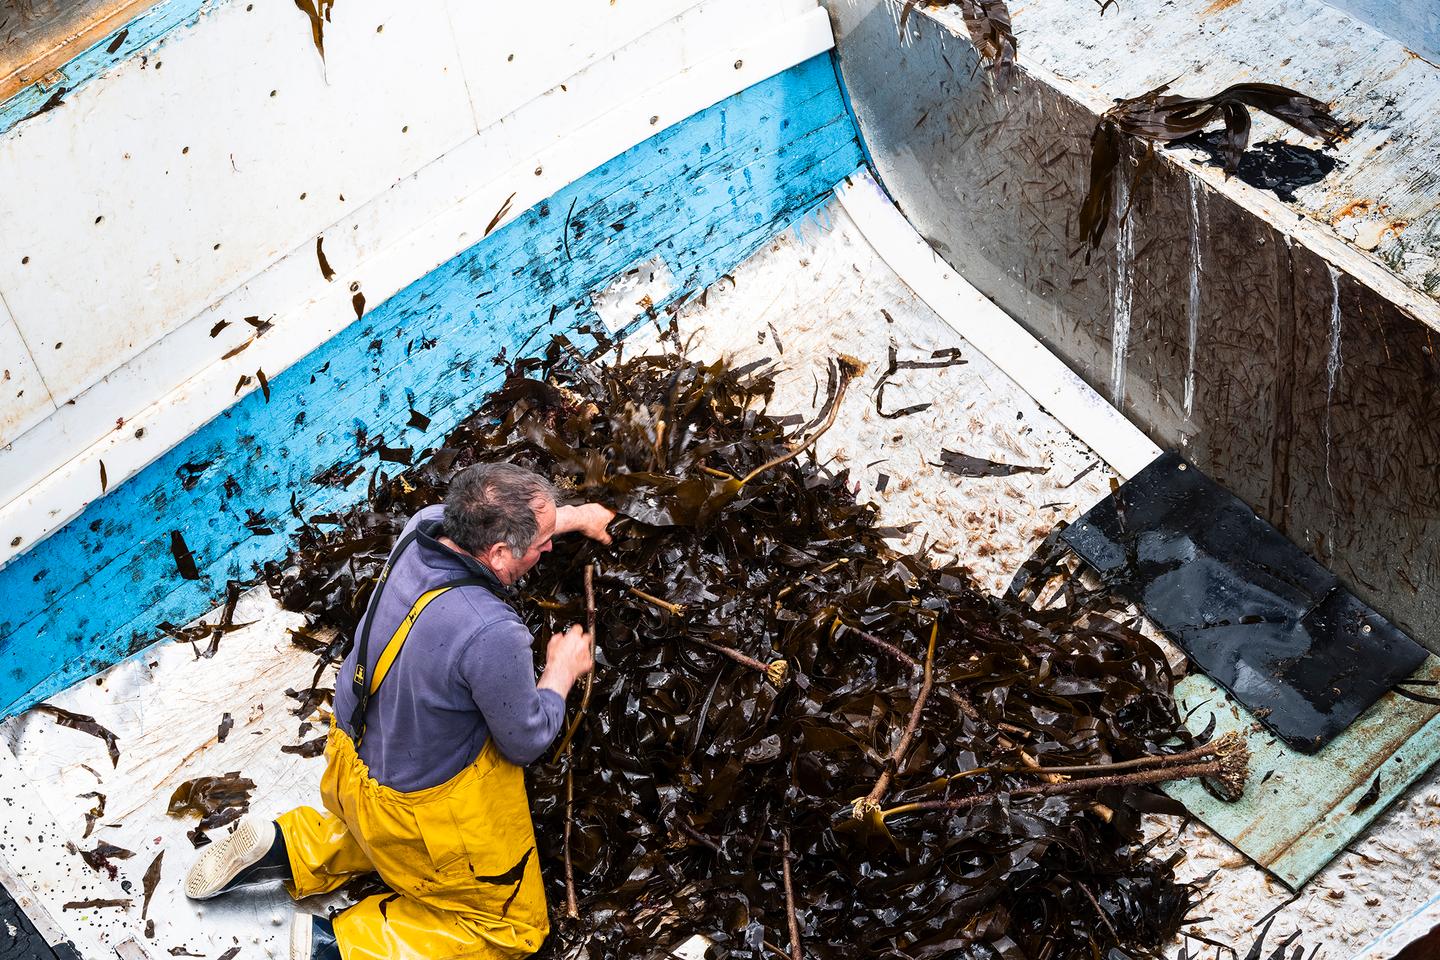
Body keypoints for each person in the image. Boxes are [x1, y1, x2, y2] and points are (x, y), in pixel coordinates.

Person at [183, 463, 612, 959]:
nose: (548, 549)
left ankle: (286, 847)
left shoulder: (426, 526)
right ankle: (337, 948)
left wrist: (578, 516)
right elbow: (526, 740)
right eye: (540, 543)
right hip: (419, 809)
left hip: (349, 761)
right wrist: (559, 672)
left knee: (374, 832)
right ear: (498, 554)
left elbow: (513, 528)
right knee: (510, 928)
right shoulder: (491, 631)